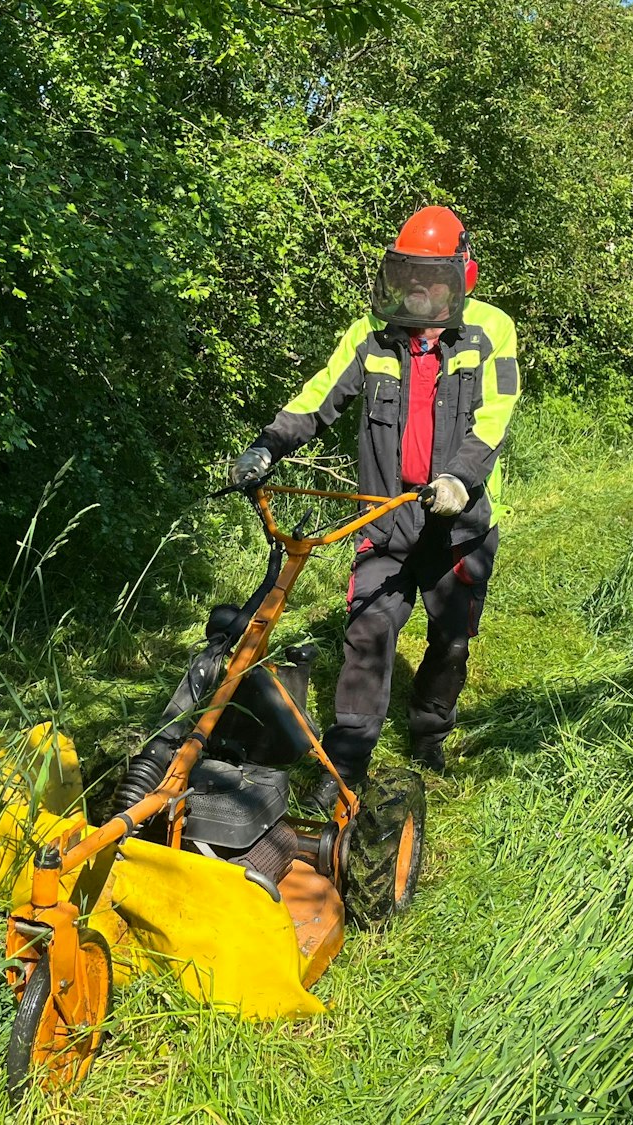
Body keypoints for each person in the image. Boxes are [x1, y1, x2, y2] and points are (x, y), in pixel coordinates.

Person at [226, 206, 520, 798]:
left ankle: (430, 735)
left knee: (451, 639)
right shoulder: (372, 332)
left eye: (431, 278)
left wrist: (460, 478)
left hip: (458, 522)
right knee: (367, 630)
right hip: (384, 518)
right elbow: (318, 396)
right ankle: (346, 766)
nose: (418, 290)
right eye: (408, 275)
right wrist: (267, 447)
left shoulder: (491, 329)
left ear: (463, 276)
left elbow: (494, 416)